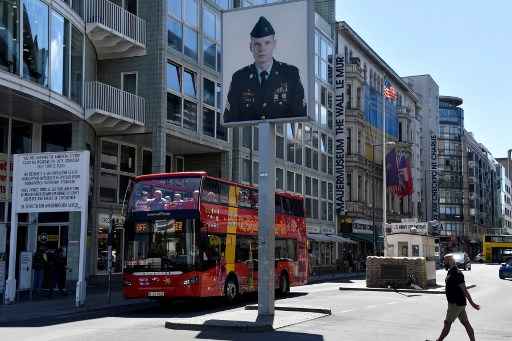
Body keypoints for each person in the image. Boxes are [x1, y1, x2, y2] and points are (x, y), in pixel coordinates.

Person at [223, 16, 306, 124]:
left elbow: (300, 116)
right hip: (249, 140)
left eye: (267, 43)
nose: (262, 49)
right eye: (257, 44)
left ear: (274, 44)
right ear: (250, 47)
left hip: (281, 139)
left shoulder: (290, 74)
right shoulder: (239, 78)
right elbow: (229, 119)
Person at [434, 254, 480, 341]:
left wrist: (472, 304)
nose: (444, 263)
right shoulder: (451, 271)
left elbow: (464, 290)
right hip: (458, 303)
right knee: (466, 323)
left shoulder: (457, 273)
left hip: (456, 304)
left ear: (450, 261)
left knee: (447, 323)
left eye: (445, 261)